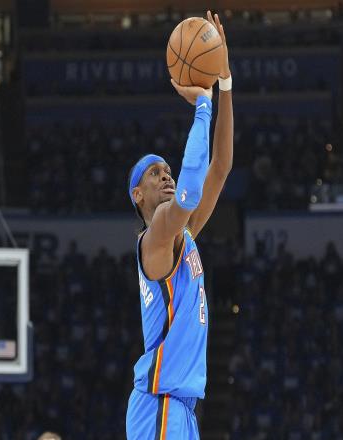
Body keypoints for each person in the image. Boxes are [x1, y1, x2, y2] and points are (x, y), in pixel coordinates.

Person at [125, 10, 233, 440]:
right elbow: (188, 193)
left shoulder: (182, 236)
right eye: (155, 173)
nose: (166, 175)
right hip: (159, 403)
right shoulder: (155, 239)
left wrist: (224, 83)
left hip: (181, 408)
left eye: (169, 170)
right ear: (138, 194)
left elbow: (220, 166)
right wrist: (202, 105)